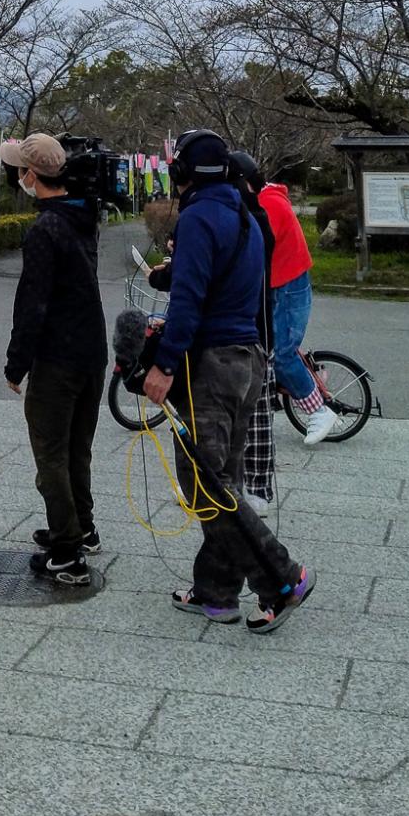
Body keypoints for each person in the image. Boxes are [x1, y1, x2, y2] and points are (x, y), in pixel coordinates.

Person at [142, 129, 314, 634]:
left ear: (182, 174)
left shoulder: (197, 217)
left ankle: (282, 577)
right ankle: (216, 593)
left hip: (211, 365)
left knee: (206, 488)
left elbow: (190, 297)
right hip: (249, 362)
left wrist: (164, 363)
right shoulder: (248, 215)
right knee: (225, 483)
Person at [1, 132, 108, 587]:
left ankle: (66, 552)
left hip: (58, 358)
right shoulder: (84, 216)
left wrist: (16, 363)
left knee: (50, 453)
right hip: (92, 353)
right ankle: (82, 526)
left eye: (19, 170)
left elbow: (33, 303)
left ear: (31, 175)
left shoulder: (45, 228)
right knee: (76, 447)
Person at [255, 169, 340, 446]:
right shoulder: (265, 197)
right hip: (278, 284)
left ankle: (319, 410)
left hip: (289, 286)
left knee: (282, 353)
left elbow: (254, 245)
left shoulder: (269, 204)